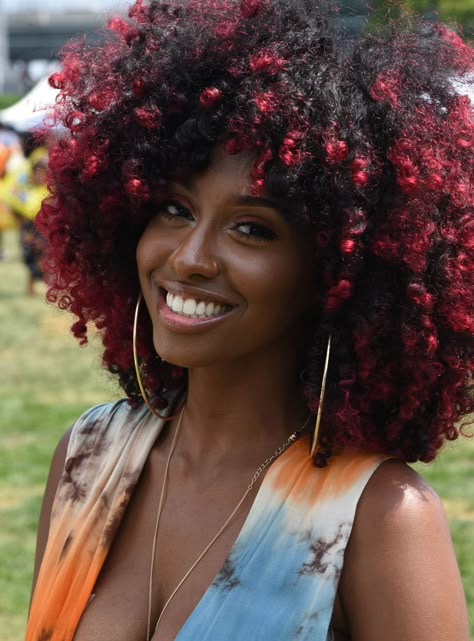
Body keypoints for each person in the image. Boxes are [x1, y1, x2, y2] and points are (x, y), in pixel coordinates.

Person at [26, 1, 473, 640]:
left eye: (251, 228)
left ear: (341, 271)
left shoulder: (379, 519)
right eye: (174, 209)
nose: (188, 258)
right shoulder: (88, 457)